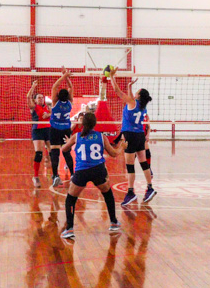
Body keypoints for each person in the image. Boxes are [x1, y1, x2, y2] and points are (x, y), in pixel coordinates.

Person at [60, 113, 125, 240]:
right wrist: (122, 147)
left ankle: (69, 229)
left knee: (70, 199)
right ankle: (113, 222)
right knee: (107, 194)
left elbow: (63, 149)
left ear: (82, 124)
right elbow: (114, 154)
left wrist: (70, 143)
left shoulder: (76, 136)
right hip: (98, 170)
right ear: (95, 124)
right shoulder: (101, 137)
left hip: (82, 171)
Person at [107, 69, 156, 205]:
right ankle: (150, 188)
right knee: (143, 163)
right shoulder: (142, 107)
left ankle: (130, 193)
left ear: (138, 95)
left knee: (130, 166)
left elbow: (117, 92)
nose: (135, 93)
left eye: (137, 91)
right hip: (140, 135)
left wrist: (112, 77)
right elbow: (131, 101)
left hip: (129, 135)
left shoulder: (132, 102)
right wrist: (129, 87)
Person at [48, 69, 75, 187]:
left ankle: (55, 176)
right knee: (66, 152)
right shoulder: (70, 103)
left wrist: (63, 76)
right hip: (65, 130)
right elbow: (71, 88)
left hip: (54, 129)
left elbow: (55, 86)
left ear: (58, 96)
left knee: (54, 152)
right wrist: (67, 77)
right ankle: (73, 174)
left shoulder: (55, 102)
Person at [27, 81, 51, 188]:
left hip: (48, 130)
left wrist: (49, 114)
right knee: (38, 154)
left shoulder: (47, 107)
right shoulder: (34, 107)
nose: (41, 99)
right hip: (38, 130)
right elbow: (28, 97)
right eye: (39, 98)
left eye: (42, 97)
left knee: (53, 152)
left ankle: (55, 175)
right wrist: (33, 87)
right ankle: (36, 177)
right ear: (35, 100)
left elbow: (53, 114)